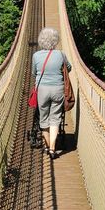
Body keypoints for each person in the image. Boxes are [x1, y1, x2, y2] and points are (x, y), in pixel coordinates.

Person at [32, 27, 72, 160]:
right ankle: (53, 148)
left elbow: (34, 73)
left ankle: (48, 145)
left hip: (42, 90)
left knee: (43, 118)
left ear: (41, 40)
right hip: (58, 90)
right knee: (55, 118)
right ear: (55, 41)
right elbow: (69, 68)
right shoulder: (61, 54)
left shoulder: (36, 56)